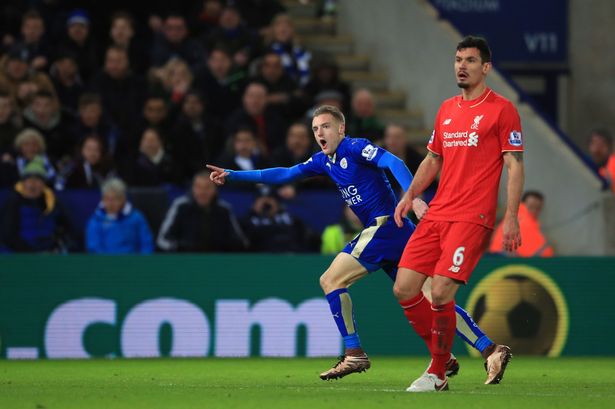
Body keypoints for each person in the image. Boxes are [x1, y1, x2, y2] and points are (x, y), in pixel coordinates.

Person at [208, 104, 505, 383]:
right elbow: (285, 173)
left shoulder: (354, 146)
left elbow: (393, 161)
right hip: (401, 233)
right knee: (432, 296)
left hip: (386, 226)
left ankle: (354, 353)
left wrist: (413, 197)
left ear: (341, 129)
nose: (320, 133)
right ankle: (489, 349)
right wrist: (233, 175)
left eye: (326, 126)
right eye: (315, 129)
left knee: (331, 280)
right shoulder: (323, 161)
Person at [393, 36, 524, 392]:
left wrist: (511, 215)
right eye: (457, 60)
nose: (461, 66)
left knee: (441, 292)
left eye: (469, 60)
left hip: (472, 217)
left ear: (486, 67)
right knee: (404, 289)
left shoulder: (502, 109)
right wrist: (410, 195)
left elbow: (514, 165)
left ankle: (436, 373)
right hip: (437, 214)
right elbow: (433, 159)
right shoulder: (447, 109)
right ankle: (475, 352)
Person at [157, 171, 247, 252]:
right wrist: (180, 248)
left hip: (217, 263)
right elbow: (162, 240)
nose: (202, 192)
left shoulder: (224, 210)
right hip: (185, 262)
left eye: (207, 187)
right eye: (198, 187)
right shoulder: (180, 206)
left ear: (215, 190)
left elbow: (240, 242)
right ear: (192, 189)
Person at [85, 177, 154, 254]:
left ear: (123, 199)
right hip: (106, 264)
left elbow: (146, 245)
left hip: (133, 263)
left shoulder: (136, 218)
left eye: (115, 199)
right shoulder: (96, 220)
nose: (110, 203)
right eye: (107, 199)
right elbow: (94, 248)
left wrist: (141, 263)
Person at [489, 190, 553, 257]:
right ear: (522, 204)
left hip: (499, 257)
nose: (534, 211)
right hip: (502, 258)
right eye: (531, 207)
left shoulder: (514, 217)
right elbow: (545, 252)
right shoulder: (522, 219)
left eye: (538, 208)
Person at [587, 128, 615, 193]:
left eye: (602, 145)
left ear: (610, 148)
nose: (597, 149)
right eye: (594, 144)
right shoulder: (584, 166)